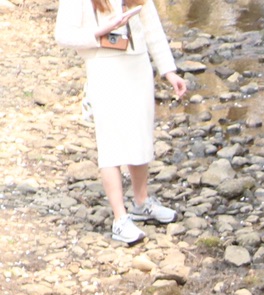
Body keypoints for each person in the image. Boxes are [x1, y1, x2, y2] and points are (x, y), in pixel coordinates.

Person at [54, 0, 188, 245]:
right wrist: (101, 31)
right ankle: (120, 218)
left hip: (137, 63)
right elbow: (63, 35)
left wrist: (168, 70)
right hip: (104, 64)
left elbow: (151, 26)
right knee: (111, 140)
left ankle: (141, 202)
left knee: (141, 134)